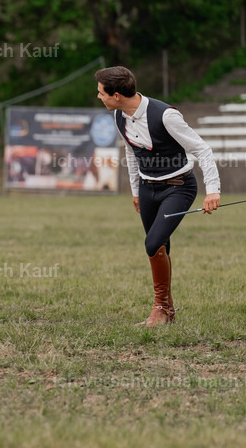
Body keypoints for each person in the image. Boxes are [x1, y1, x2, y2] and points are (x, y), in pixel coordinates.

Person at [94, 66, 221, 326]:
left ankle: (160, 307)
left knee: (152, 244)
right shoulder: (119, 116)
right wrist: (135, 191)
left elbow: (203, 150)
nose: (99, 97)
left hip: (178, 187)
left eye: (101, 93)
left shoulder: (166, 116)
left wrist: (213, 191)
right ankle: (167, 312)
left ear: (116, 95)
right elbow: (131, 152)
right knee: (161, 246)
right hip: (146, 188)